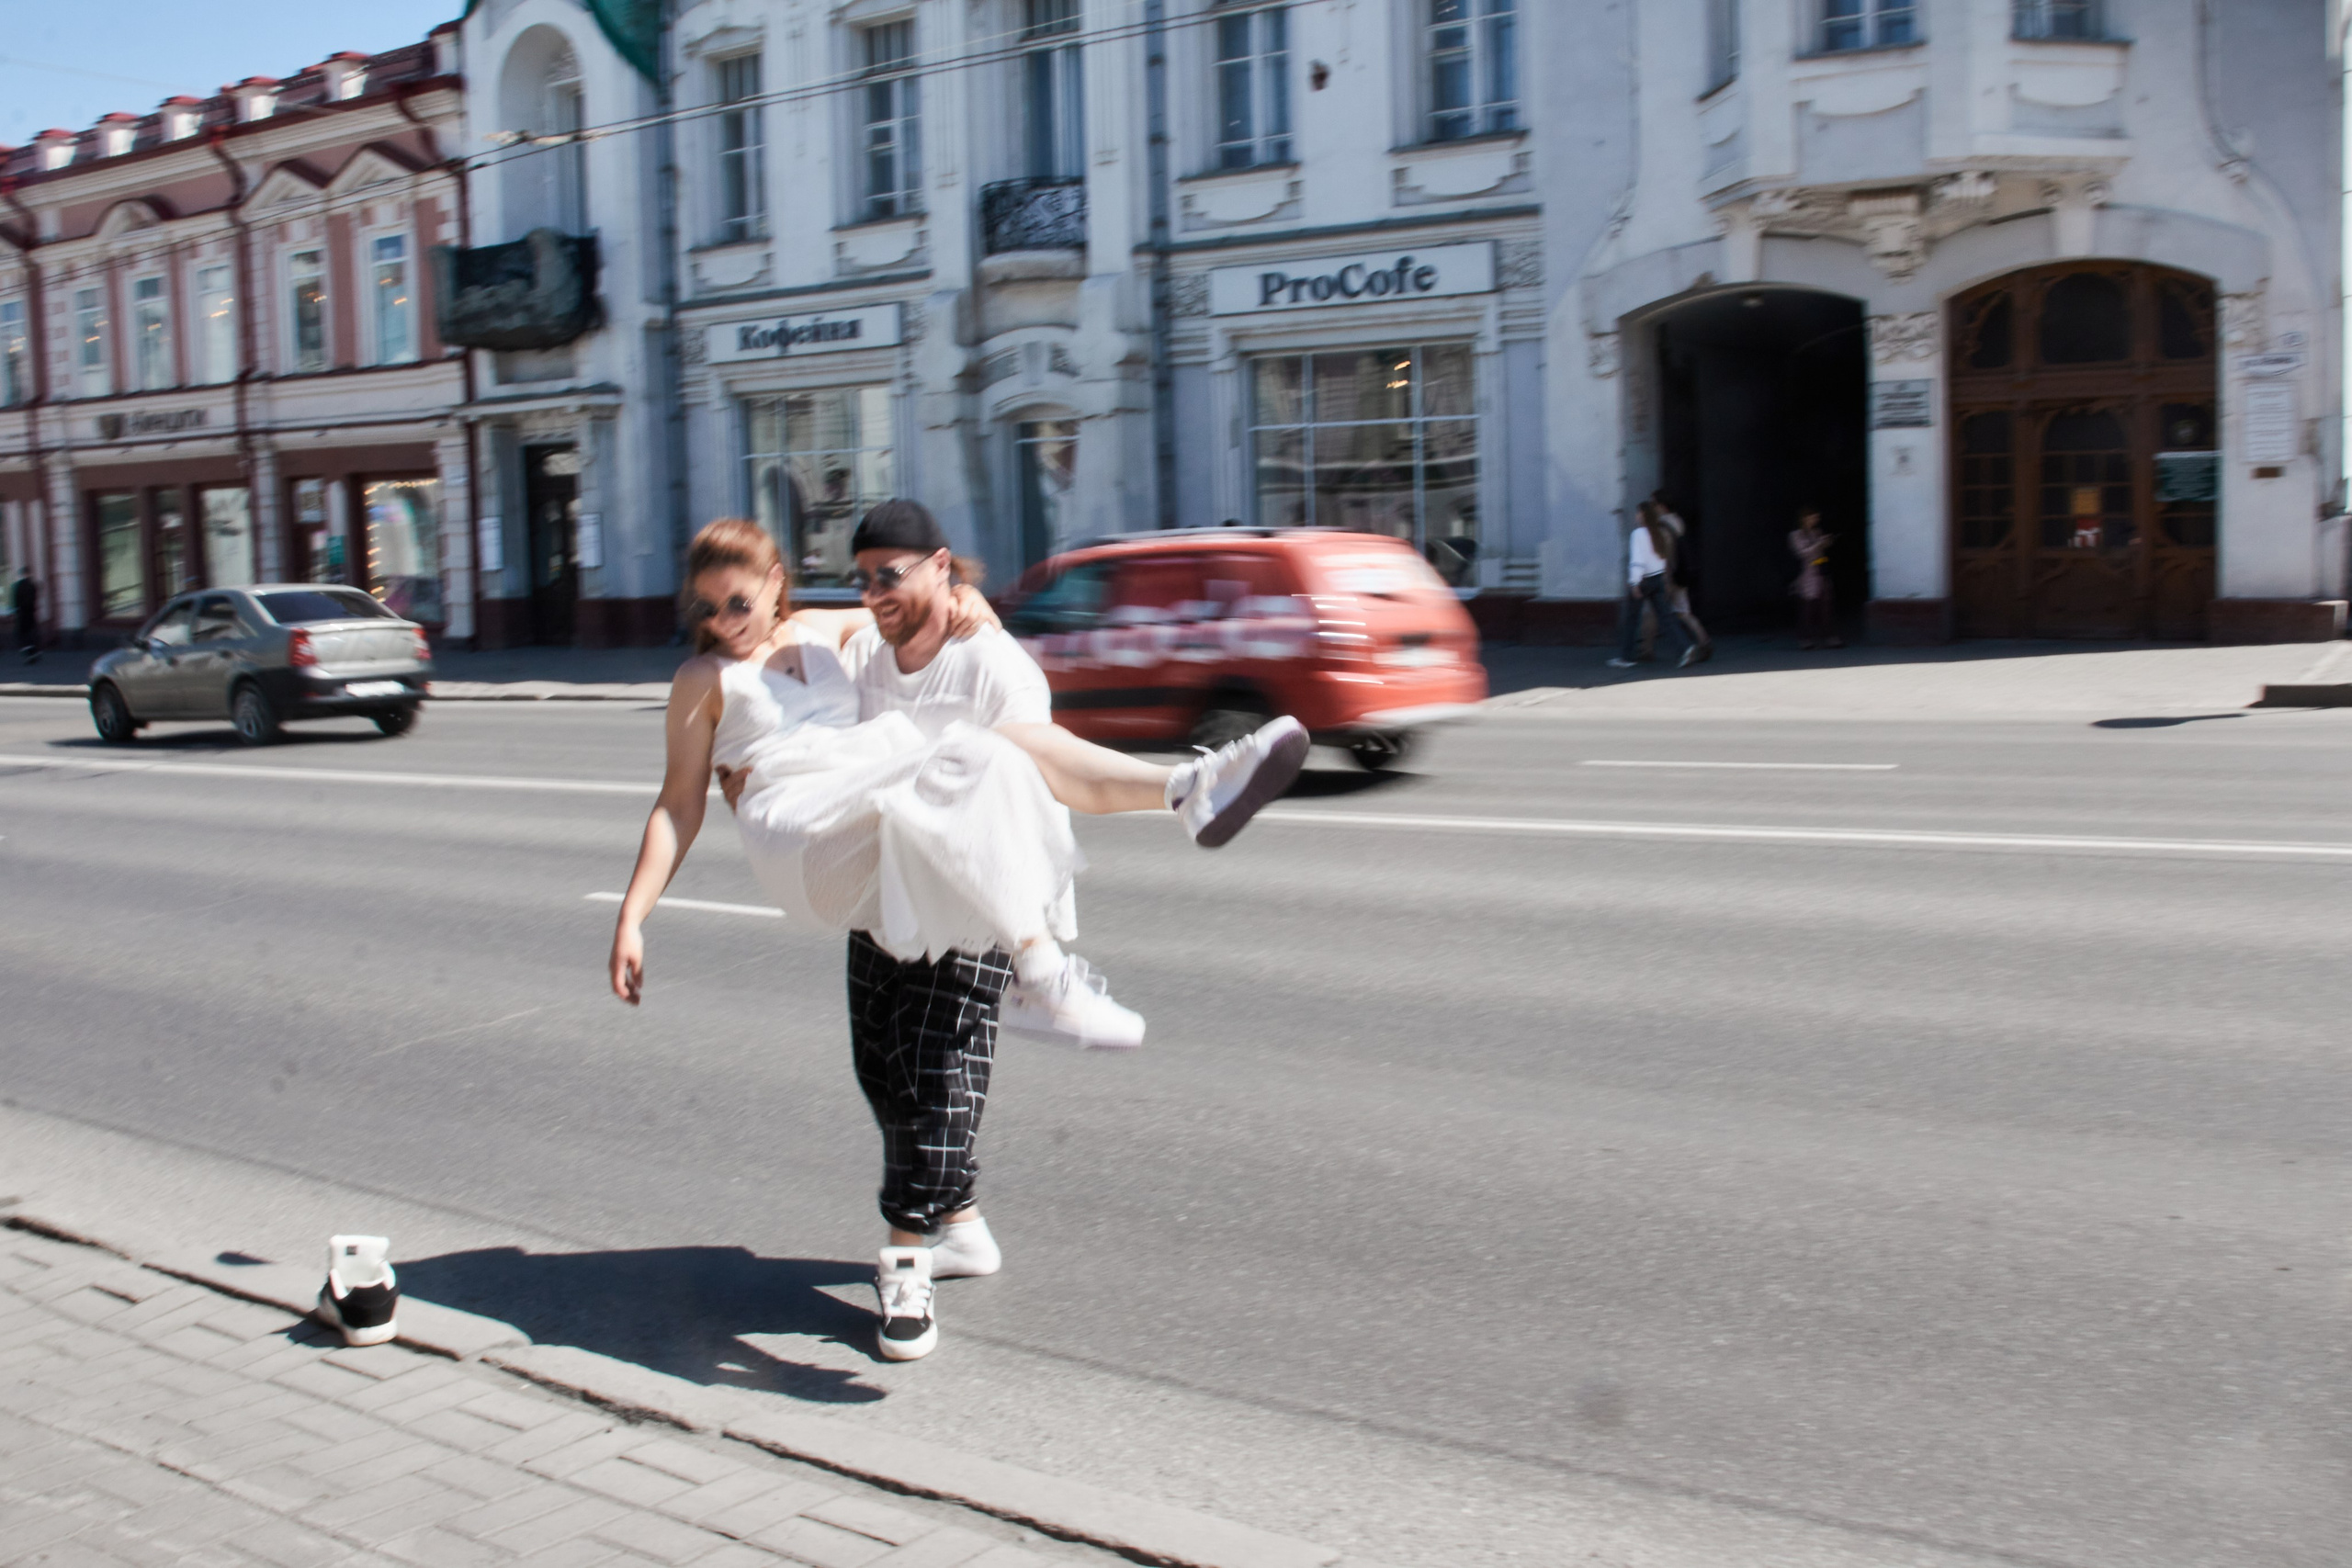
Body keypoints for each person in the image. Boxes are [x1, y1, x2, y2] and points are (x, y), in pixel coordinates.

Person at [608, 510, 1308, 1363]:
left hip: (876, 814)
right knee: (963, 760)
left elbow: (917, 603)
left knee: (978, 778)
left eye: (741, 601)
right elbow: (679, 801)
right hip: (798, 824)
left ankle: (1181, 799)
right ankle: (1055, 955)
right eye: (711, 609)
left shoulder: (834, 628)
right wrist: (635, 913)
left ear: (777, 585)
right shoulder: (703, 677)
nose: (729, 622)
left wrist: (965, 594)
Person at [1608, 505, 1698, 671]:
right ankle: (1685, 647)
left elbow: (1638, 559)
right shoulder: (1658, 533)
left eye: (1638, 512)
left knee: (1631, 619)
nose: (1636, 515)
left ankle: (1626, 657)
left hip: (1643, 581)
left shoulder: (1639, 534)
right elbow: (1662, 558)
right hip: (1657, 578)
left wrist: (1634, 582)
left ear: (1643, 514)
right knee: (1666, 618)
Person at [1645, 492, 1712, 662]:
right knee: (1683, 612)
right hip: (1681, 574)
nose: (1652, 507)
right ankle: (1704, 641)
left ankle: (1646, 649)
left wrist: (1665, 577)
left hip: (1668, 575)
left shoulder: (1662, 525)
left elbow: (1665, 554)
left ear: (1662, 506)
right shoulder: (1678, 521)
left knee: (1655, 610)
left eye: (1654, 504)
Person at [1789, 508, 1841, 650]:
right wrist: (1819, 544)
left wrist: (1826, 543)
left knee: (1826, 607)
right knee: (1807, 608)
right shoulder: (1796, 535)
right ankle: (1805, 640)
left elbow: (1820, 552)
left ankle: (1830, 638)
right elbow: (1803, 553)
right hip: (1806, 575)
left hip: (1821, 572)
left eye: (1817, 518)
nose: (1815, 520)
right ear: (1804, 518)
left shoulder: (1816, 532)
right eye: (1813, 517)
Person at [12, 569, 39, 664]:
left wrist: (16, 610)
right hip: (31, 612)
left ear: (22, 574)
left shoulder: (19, 586)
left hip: (22, 613)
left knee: (22, 634)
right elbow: (35, 598)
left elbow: (16, 600)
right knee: (31, 632)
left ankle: (29, 653)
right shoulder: (32, 585)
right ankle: (34, 651)